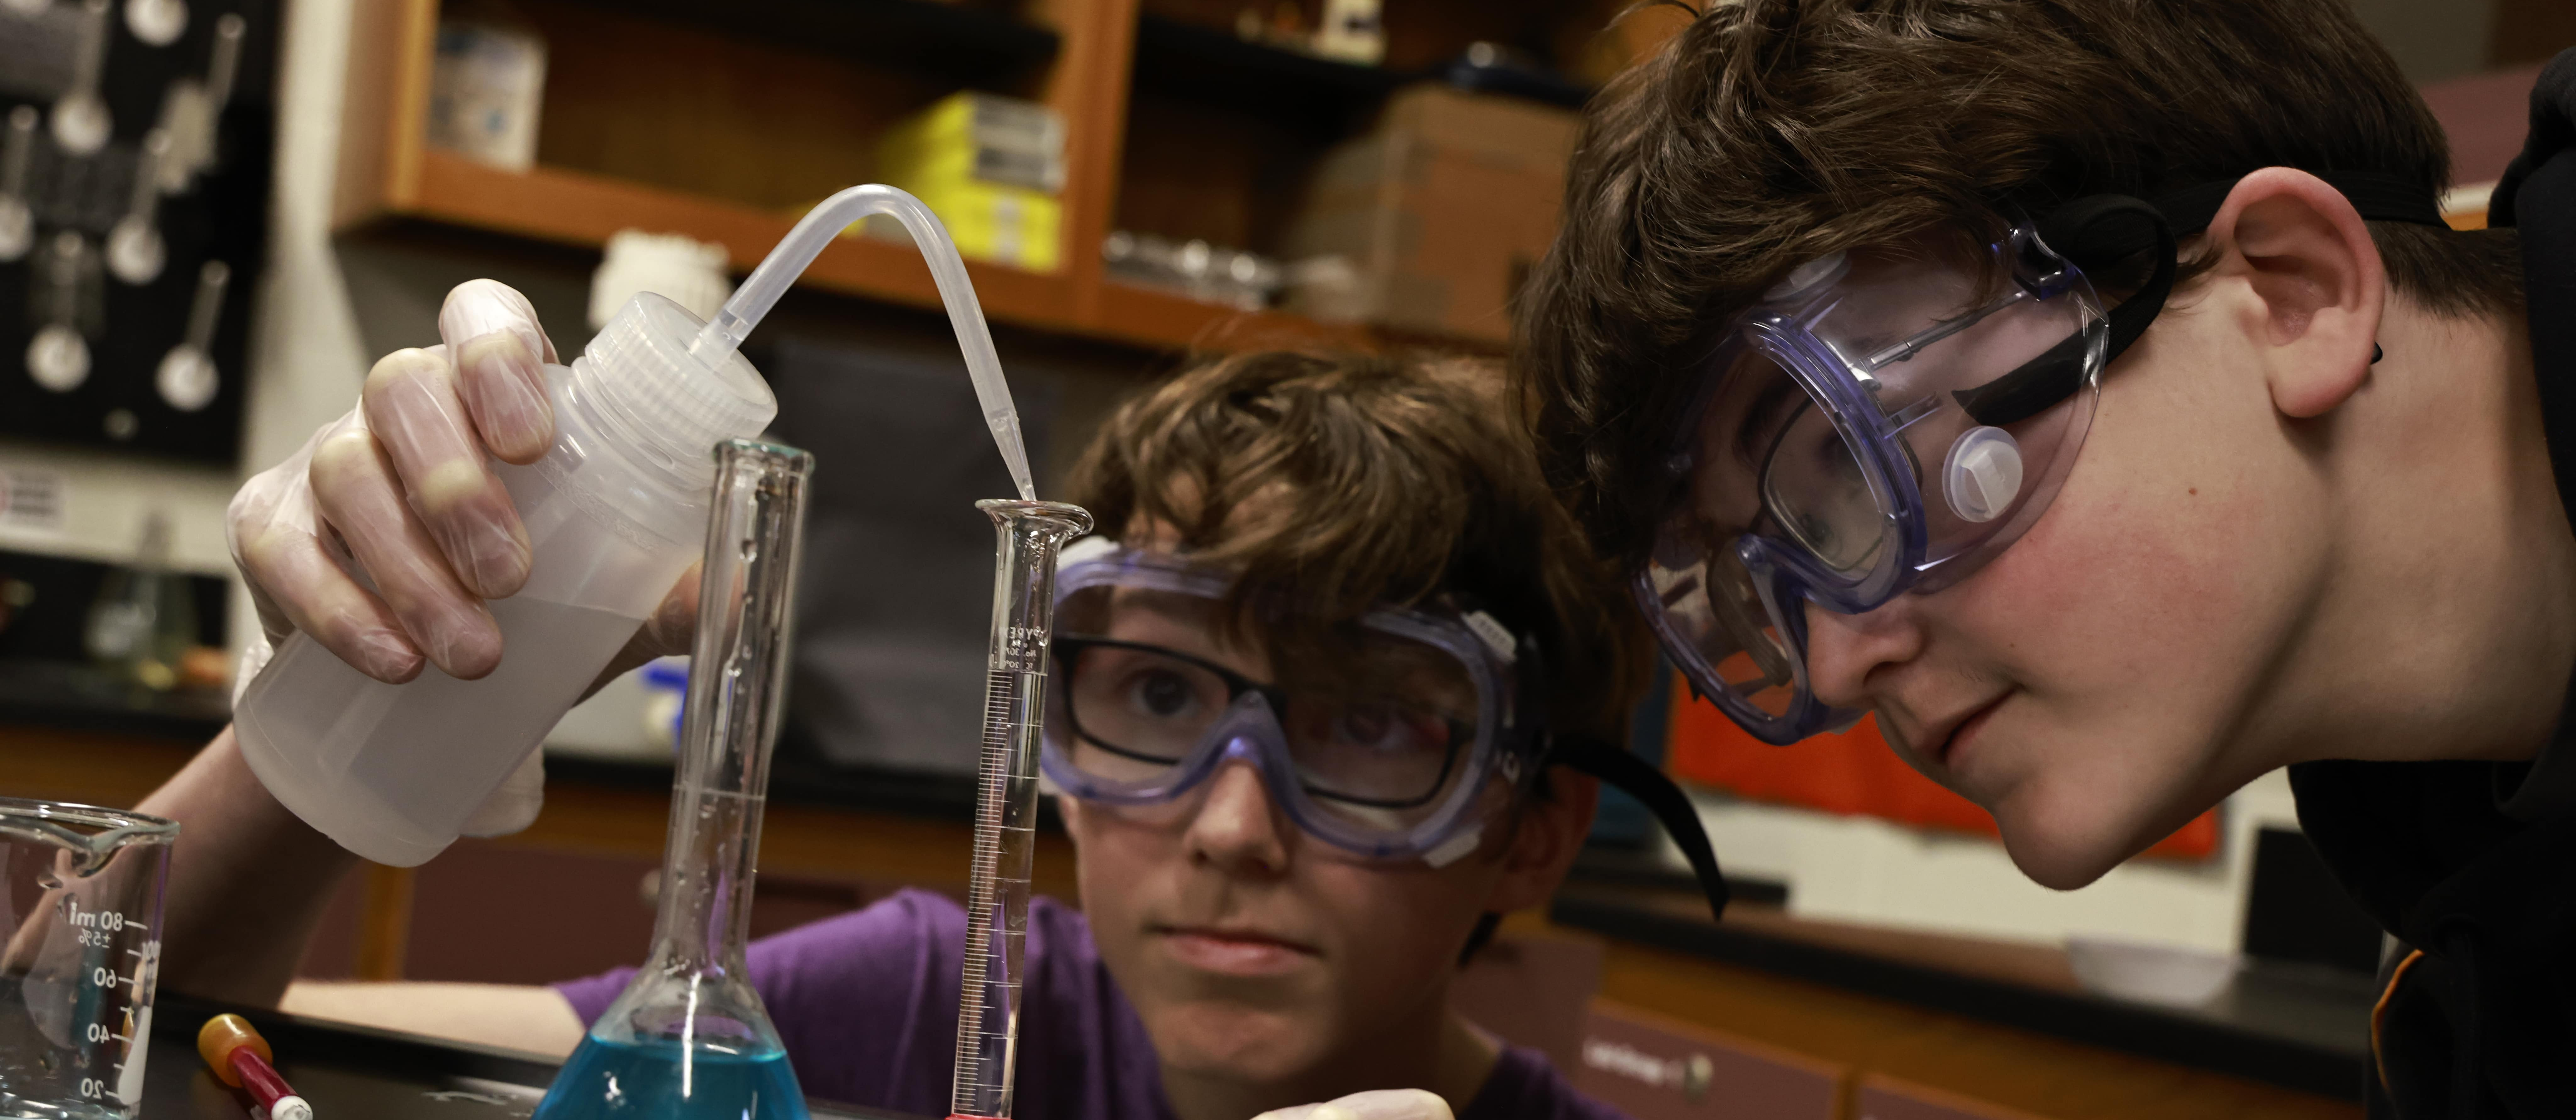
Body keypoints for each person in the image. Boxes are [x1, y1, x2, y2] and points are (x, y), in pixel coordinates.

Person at [143, 283, 1728, 1120]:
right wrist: (363, 687)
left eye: (1371, 723)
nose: (1232, 825)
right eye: (1160, 690)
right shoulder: (912, 1002)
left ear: (1528, 830)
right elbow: (146, 1037)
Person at [1512, 0, 2574, 1115]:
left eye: (1852, 469)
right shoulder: (2476, 985)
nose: (1835, 667)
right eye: (1770, 585)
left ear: (2291, 291)